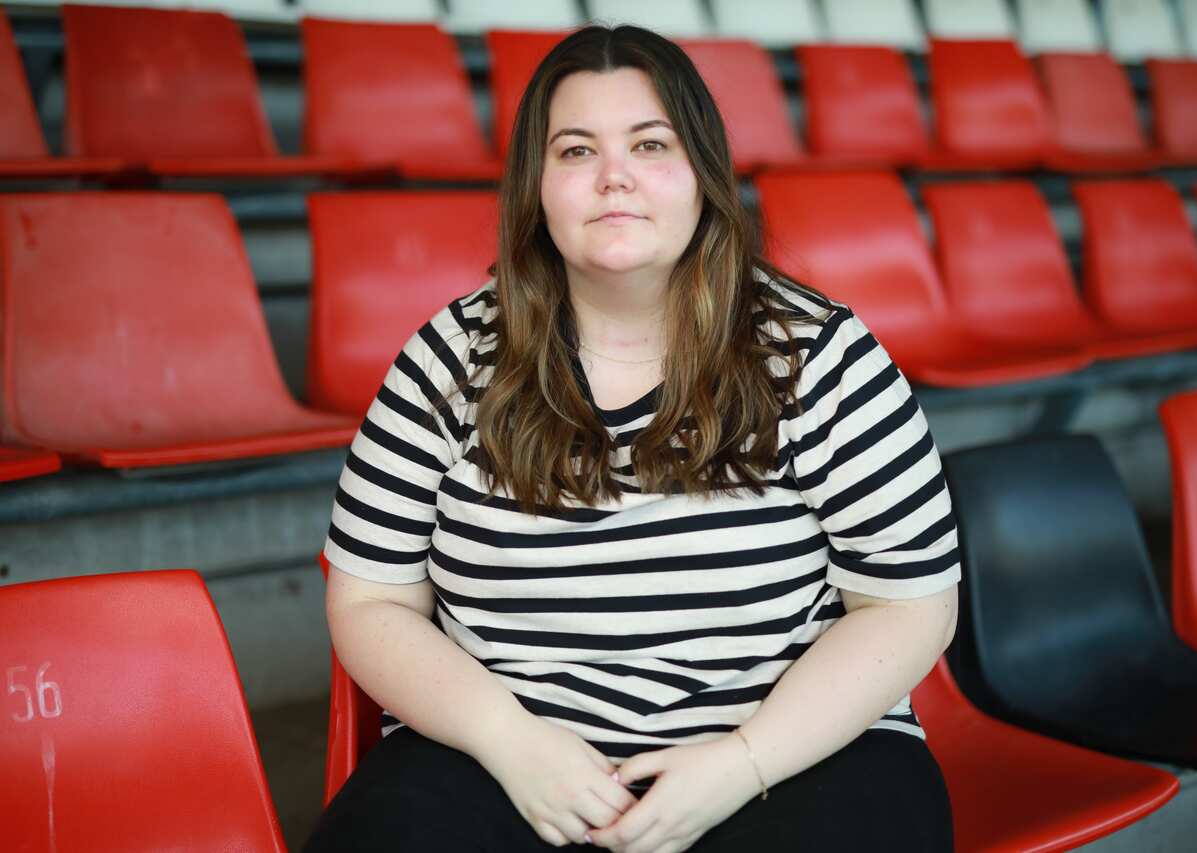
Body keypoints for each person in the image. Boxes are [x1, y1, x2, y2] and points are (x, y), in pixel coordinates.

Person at [304, 24, 958, 853]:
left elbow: (909, 604)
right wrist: (512, 742)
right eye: (575, 152)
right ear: (536, 188)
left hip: (787, 752)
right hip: (505, 761)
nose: (614, 177)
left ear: (701, 174)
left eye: (651, 144)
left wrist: (744, 762)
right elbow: (371, 598)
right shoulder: (447, 358)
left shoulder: (821, 353)